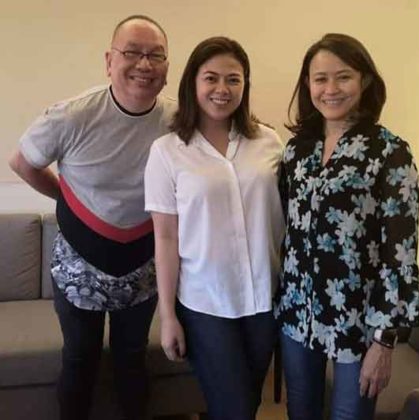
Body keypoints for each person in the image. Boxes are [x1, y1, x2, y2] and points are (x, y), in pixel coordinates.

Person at [9, 15, 176, 420]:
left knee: (132, 359)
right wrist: (65, 199)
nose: (144, 64)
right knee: (80, 359)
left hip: (142, 264)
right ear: (109, 61)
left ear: (167, 67)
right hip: (78, 264)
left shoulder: (178, 120)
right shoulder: (72, 115)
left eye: (155, 55)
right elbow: (22, 163)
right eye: (132, 52)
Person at [274, 33, 419, 420]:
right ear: (307, 85)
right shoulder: (297, 150)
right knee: (300, 412)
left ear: (365, 80)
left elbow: (400, 253)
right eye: (320, 79)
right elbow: (288, 228)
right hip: (298, 312)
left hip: (359, 321)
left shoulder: (390, 152)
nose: (331, 89)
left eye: (343, 77)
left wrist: (384, 342)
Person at [145, 36, 284, 420]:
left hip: (264, 299)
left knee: (246, 404)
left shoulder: (268, 142)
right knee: (235, 409)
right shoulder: (167, 151)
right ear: (192, 82)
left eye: (233, 79)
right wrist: (168, 315)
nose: (222, 89)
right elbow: (165, 238)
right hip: (206, 304)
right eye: (211, 78)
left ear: (245, 85)